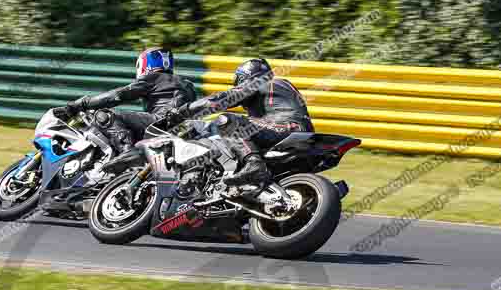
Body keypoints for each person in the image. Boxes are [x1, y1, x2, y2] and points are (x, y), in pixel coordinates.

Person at [163, 58, 313, 195]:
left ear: (247, 76)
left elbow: (223, 99)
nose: (238, 85)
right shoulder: (278, 87)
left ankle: (253, 164)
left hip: (284, 127)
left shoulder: (262, 82)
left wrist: (184, 111)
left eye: (239, 81)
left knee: (225, 120)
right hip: (297, 132)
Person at [52, 47, 197, 153]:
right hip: (180, 128)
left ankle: (127, 153)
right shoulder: (187, 84)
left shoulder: (154, 78)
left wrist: (80, 104)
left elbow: (117, 95)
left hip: (159, 123)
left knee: (105, 116)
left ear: (146, 64)